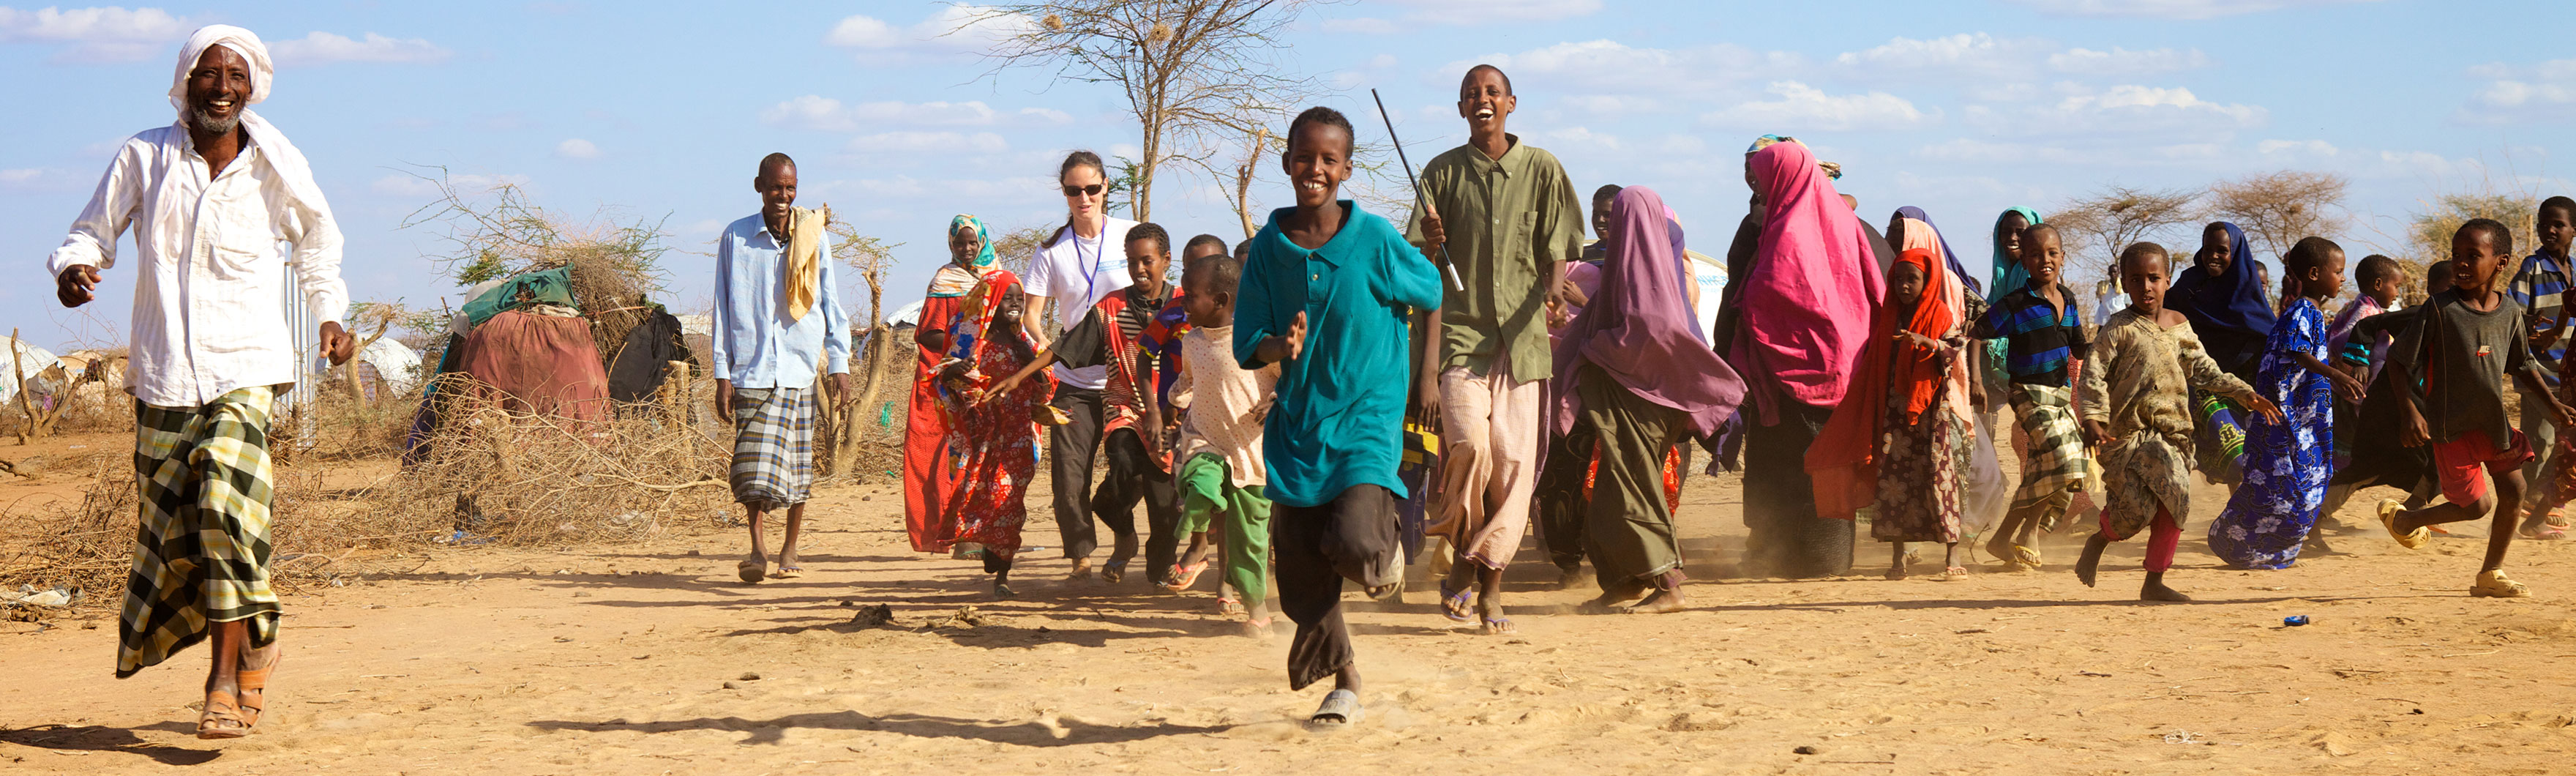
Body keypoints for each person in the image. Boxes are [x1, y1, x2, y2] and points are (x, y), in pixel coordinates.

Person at [48, 25, 351, 739]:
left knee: (221, 499)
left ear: (254, 87)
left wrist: (330, 315)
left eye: (235, 76)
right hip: (163, 374)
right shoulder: (145, 156)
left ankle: (220, 681)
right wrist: (74, 269)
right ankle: (261, 633)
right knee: (182, 532)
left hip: (246, 366)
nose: (221, 87)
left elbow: (317, 241)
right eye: (208, 74)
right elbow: (92, 232)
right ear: (185, 82)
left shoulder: (276, 164)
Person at [1238, 106, 1442, 727]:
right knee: (1299, 572)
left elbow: (1430, 291)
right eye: (1305, 157)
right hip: (1299, 422)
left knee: (1354, 540)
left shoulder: (1376, 239)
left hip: (1367, 414)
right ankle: (1345, 678)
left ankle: (1382, 552)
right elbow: (1250, 340)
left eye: (1329, 159)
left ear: (1347, 168)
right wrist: (1281, 347)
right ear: (1287, 163)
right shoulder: (1269, 250)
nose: (1315, 169)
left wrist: (1426, 374)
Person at [1407, 64, 1583, 630]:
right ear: (1461, 110)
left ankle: (1487, 585)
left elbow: (1559, 243)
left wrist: (1554, 293)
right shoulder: (1441, 174)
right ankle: (1462, 560)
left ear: (1511, 103)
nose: (1481, 100)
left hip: (1525, 341)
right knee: (1471, 449)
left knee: (1513, 464)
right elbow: (1418, 267)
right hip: (1463, 339)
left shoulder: (1543, 168)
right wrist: (1432, 247)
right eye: (1470, 94)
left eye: (1490, 92)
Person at [1557, 185, 1745, 613]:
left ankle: (1667, 583)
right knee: (1608, 494)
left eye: (1619, 218)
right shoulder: (1639, 274)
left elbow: (1645, 336)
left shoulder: (1648, 286)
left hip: (1641, 405)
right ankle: (1624, 581)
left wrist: (1593, 348)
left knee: (1632, 490)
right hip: (1631, 402)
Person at [2378, 219, 2576, 597]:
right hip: (2452, 428)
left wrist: (2552, 404)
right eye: (2456, 256)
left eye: (2473, 256)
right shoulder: (2440, 309)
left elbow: (2523, 363)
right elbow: (2398, 360)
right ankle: (2407, 520)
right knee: (2476, 506)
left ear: (2500, 263)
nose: (2461, 264)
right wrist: (2409, 411)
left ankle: (2491, 574)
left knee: (2515, 491)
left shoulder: (2510, 312)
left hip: (2493, 424)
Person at [2075, 243, 2277, 601]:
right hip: (2127, 437)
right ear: (2124, 282)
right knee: (2134, 514)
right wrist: (2092, 417)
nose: (2146, 287)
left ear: (2167, 280)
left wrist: (2244, 393)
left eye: (2154, 278)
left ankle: (2154, 582)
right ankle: (2102, 536)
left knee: (2176, 500)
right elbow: (2093, 375)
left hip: (2173, 436)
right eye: (2136, 280)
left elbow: (2203, 368)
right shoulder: (2118, 329)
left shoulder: (2179, 325)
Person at [992, 223, 1183, 585]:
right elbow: (1065, 347)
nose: (1139, 269)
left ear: (1166, 261)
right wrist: (1019, 376)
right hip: (1123, 407)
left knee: (1164, 504)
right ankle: (1120, 532)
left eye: (1147, 261)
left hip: (1171, 414)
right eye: (1132, 262)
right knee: (1123, 462)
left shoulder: (1185, 305)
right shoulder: (1110, 308)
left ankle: (1158, 569)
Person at [1729, 139, 1884, 578]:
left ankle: (1812, 558)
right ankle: (1818, 556)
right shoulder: (1841, 220)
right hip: (1844, 363)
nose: (1757, 184)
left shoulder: (1786, 228)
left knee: (1802, 464)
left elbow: (1776, 292)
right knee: (1826, 462)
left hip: (1798, 366)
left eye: (1762, 175)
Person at [714, 153, 853, 584]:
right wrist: (722, 372)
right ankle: (757, 550)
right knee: (751, 465)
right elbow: (722, 305)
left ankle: (790, 547)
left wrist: (840, 362)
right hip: (752, 367)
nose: (784, 196)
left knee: (797, 466)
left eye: (791, 189)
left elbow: (829, 300)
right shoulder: (736, 238)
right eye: (776, 188)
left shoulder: (813, 236)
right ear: (759, 186)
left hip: (799, 365)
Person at [1808, 245, 1973, 581]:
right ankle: (1898, 559)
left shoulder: (1939, 312)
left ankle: (1952, 554)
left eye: (1912, 279)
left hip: (1931, 412)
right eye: (1898, 279)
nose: (1904, 286)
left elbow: (1956, 346)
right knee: (1895, 481)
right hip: (1894, 413)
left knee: (1940, 478)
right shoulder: (1889, 315)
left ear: (1927, 281)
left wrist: (1927, 343)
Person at [2207, 238, 2367, 570]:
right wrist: (2337, 376)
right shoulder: (2302, 312)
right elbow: (2297, 352)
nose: (2342, 279)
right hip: (2289, 420)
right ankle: (2237, 543)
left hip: (2302, 418)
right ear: (2313, 273)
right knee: (2289, 488)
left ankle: (2259, 551)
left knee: (2289, 487)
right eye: (2338, 272)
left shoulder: (2309, 312)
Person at [1023, 151, 1142, 580]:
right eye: (1074, 191)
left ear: (1106, 186)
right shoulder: (1052, 252)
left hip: (1128, 380)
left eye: (1092, 188)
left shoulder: (1131, 237)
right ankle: (1081, 557)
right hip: (1073, 383)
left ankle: (1125, 532)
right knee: (1069, 480)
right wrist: (1048, 352)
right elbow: (1031, 316)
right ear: (1065, 194)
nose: (1084, 198)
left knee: (1130, 472)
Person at [1166, 240, 1282, 635]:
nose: (1183, 303)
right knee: (1199, 480)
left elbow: (1291, 378)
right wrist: (1172, 400)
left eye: (1191, 297)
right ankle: (1195, 537)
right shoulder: (1192, 341)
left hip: (1250, 451)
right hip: (1206, 438)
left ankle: (1257, 610)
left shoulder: (1257, 341)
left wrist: (1275, 402)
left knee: (1250, 542)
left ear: (1219, 300)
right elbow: (1189, 381)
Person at [1969, 223, 2094, 570]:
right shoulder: (2015, 303)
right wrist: (1976, 380)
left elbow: (2079, 345)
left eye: (2052, 253)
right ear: (2024, 260)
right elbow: (1977, 333)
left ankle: (2000, 539)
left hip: (2060, 395)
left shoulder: (2067, 299)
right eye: (2036, 254)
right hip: (2027, 393)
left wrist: (2106, 350)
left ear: (2063, 257)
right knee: (2062, 458)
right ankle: (2031, 534)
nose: (2045, 260)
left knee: (2059, 468)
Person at [1886, 207, 2011, 550]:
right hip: (1905, 393)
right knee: (1910, 464)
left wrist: (1975, 382)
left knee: (1971, 461)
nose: (1893, 251)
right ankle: (1915, 541)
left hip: (1949, 387)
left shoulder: (1951, 287)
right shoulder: (1894, 289)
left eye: (1901, 242)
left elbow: (1975, 331)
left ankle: (1966, 531)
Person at [944, 272, 1050, 597]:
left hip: (1019, 436)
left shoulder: (1025, 343)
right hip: (982, 438)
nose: (1016, 304)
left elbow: (1045, 386)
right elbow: (944, 382)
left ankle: (1002, 570)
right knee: (983, 496)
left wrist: (1035, 368)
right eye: (1008, 298)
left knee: (1011, 500)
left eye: (1020, 298)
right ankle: (990, 546)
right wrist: (954, 372)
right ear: (991, 301)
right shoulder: (971, 342)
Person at [907, 214, 1006, 556]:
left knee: (988, 455)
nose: (966, 249)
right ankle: (954, 535)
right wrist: (965, 348)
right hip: (949, 381)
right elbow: (928, 333)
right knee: (950, 458)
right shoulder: (944, 281)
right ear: (950, 244)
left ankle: (981, 532)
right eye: (959, 243)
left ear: (982, 243)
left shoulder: (997, 278)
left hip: (988, 379)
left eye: (972, 242)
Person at [2171, 222, 2276, 485]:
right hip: (2198, 382)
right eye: (2208, 249)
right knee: (2238, 459)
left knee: (2247, 457)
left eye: (2222, 250)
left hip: (2244, 386)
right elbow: (2161, 316)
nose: (2213, 256)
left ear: (2236, 253)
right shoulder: (2190, 285)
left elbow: (2267, 336)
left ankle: (2238, 520)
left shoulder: (2249, 293)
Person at [2511, 196, 2576, 540]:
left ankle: (2532, 503)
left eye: (2558, 224)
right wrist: (2528, 324)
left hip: (2567, 373)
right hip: (2536, 370)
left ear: (2574, 230)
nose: (2548, 230)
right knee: (2543, 441)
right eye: (2543, 224)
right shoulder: (2532, 267)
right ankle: (2529, 505)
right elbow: (2513, 310)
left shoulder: (2575, 270)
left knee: (2556, 440)